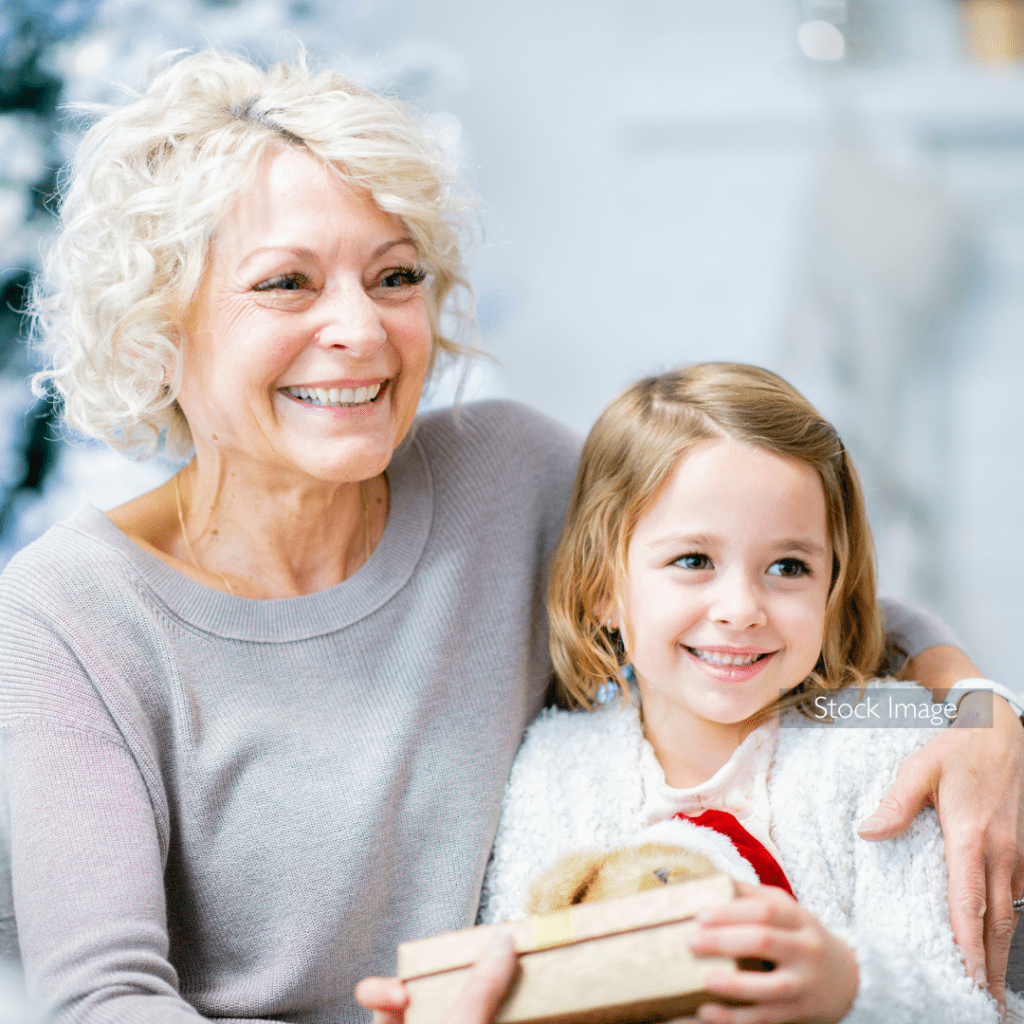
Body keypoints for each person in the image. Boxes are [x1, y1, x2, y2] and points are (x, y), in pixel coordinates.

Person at [0, 48, 1017, 1023]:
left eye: (394, 277)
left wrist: (976, 710)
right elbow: (102, 1005)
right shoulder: (69, 615)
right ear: (155, 324)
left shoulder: (508, 472)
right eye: (286, 283)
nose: (362, 329)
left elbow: (779, 592)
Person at [472, 364, 1023, 1023]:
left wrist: (849, 987)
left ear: (832, 586)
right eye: (693, 561)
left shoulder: (887, 749)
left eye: (788, 567)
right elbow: (515, 981)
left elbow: (971, 1005)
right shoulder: (553, 770)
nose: (741, 608)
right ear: (602, 589)